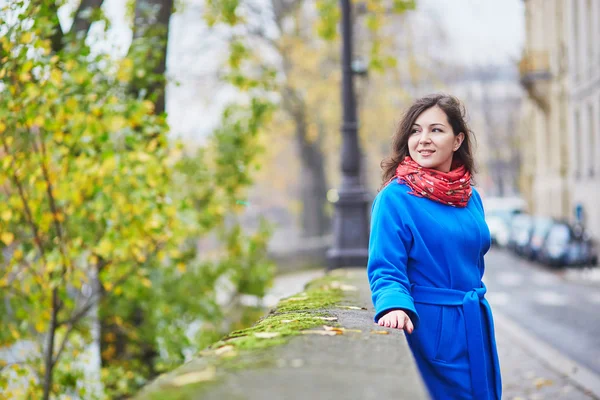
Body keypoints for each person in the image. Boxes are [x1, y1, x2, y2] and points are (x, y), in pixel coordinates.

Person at [367, 94, 501, 400]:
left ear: (457, 140)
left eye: (436, 130)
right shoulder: (395, 199)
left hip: (474, 323)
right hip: (431, 331)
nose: (423, 139)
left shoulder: (471, 197)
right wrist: (394, 304)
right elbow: (386, 268)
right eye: (415, 131)